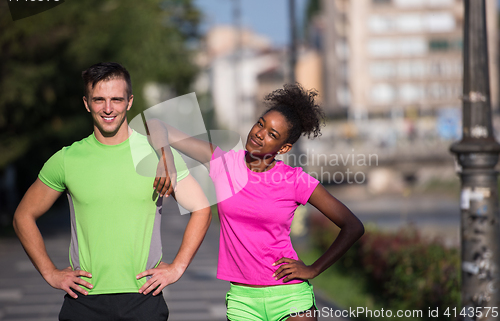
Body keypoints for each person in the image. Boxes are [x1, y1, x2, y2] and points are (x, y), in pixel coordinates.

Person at [12, 62, 211, 321]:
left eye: (116, 99)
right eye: (99, 100)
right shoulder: (66, 159)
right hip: (83, 302)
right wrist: (51, 273)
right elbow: (23, 216)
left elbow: (202, 208)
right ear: (86, 103)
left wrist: (177, 267)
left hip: (144, 299)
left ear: (129, 102)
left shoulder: (158, 156)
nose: (108, 109)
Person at [148, 83, 364, 321]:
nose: (260, 134)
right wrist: (165, 156)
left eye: (272, 134)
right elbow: (155, 125)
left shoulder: (294, 180)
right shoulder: (224, 164)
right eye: (261, 124)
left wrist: (313, 269)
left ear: (284, 148)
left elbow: (352, 226)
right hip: (243, 301)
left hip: (290, 296)